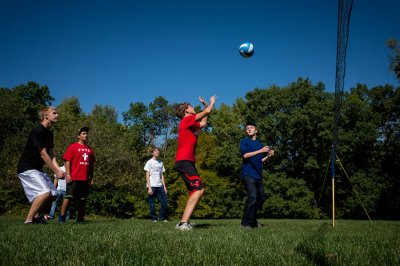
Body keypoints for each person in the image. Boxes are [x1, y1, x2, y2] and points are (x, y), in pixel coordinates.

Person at [174, 95, 217, 230]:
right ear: (186, 110)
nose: (193, 108)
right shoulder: (186, 120)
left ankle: (183, 222)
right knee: (199, 189)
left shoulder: (191, 124)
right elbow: (207, 112)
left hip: (188, 162)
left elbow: (203, 122)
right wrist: (210, 104)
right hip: (184, 161)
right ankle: (182, 224)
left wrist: (205, 106)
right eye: (191, 106)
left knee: (195, 191)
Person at [17, 106, 65, 224]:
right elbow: (43, 154)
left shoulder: (49, 133)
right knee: (44, 193)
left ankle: (37, 217)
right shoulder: (37, 131)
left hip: (37, 169)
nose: (57, 115)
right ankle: (29, 221)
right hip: (27, 168)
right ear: (46, 116)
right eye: (54, 113)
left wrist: (59, 171)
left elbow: (51, 154)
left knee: (54, 194)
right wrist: (56, 171)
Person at [240, 122, 274, 228]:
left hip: (258, 175)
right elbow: (245, 155)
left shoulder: (259, 144)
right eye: (247, 128)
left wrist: (268, 156)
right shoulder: (244, 141)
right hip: (248, 174)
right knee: (252, 197)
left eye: (251, 128)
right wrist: (261, 150)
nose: (249, 129)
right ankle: (245, 223)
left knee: (261, 198)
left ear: (256, 131)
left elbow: (259, 161)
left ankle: (253, 221)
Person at [59, 126, 95, 223]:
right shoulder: (73, 146)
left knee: (82, 199)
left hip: (84, 178)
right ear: (78, 136)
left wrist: (92, 177)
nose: (86, 135)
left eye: (87, 133)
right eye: (83, 133)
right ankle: (61, 218)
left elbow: (91, 165)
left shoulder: (90, 149)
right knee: (68, 197)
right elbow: (67, 161)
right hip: (74, 177)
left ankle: (80, 219)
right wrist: (68, 175)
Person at [144, 147, 169, 222]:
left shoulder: (160, 163)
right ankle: (154, 218)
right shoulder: (149, 162)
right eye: (156, 151)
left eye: (158, 151)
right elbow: (147, 174)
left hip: (160, 185)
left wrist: (164, 187)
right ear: (152, 153)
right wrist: (149, 187)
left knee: (164, 202)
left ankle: (162, 217)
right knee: (152, 203)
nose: (157, 152)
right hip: (152, 185)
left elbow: (161, 175)